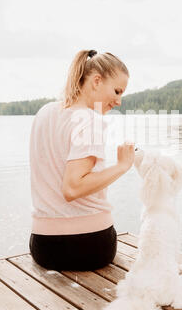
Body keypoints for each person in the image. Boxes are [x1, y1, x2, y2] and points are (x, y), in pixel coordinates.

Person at [29, 49, 135, 271]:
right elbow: (73, 188)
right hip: (88, 246)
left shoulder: (45, 112)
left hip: (43, 247)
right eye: (117, 91)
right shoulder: (89, 120)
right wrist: (122, 166)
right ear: (97, 81)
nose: (118, 101)